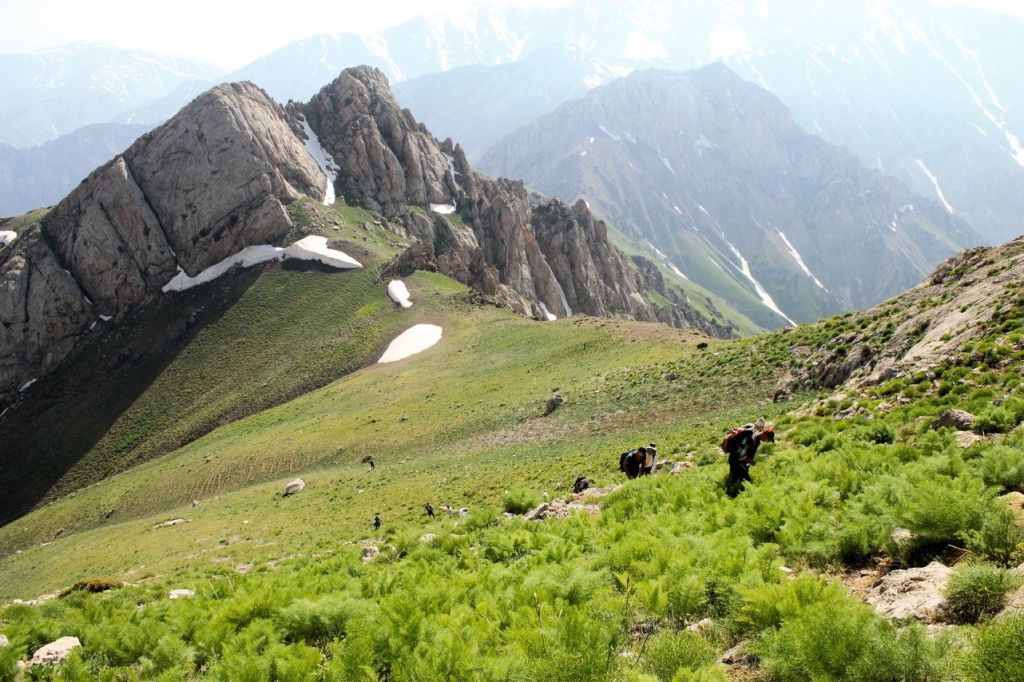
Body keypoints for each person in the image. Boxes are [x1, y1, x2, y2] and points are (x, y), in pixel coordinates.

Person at [722, 419, 775, 497]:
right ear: (764, 435)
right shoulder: (750, 440)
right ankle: (730, 494)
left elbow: (749, 455)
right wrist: (748, 460)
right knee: (744, 480)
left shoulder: (756, 440)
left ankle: (729, 491)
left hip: (738, 461)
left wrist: (749, 462)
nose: (767, 441)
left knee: (736, 478)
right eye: (768, 439)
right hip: (735, 461)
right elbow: (738, 455)